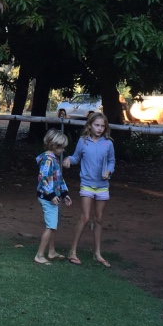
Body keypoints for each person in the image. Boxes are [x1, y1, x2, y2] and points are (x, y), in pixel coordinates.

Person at [63, 111, 115, 267]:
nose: (99, 128)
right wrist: (67, 159)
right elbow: (76, 157)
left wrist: (109, 171)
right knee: (85, 217)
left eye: (102, 126)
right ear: (90, 126)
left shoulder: (108, 143)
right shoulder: (83, 141)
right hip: (87, 183)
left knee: (99, 218)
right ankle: (72, 252)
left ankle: (97, 253)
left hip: (102, 186)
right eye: (96, 125)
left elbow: (112, 161)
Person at [33, 129, 72, 264]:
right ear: (54, 145)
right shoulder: (48, 160)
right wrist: (50, 195)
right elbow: (43, 178)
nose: (63, 150)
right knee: (51, 226)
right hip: (47, 197)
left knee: (53, 224)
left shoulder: (53, 159)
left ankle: (51, 251)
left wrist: (64, 193)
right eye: (61, 147)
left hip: (51, 196)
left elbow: (58, 179)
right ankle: (39, 255)